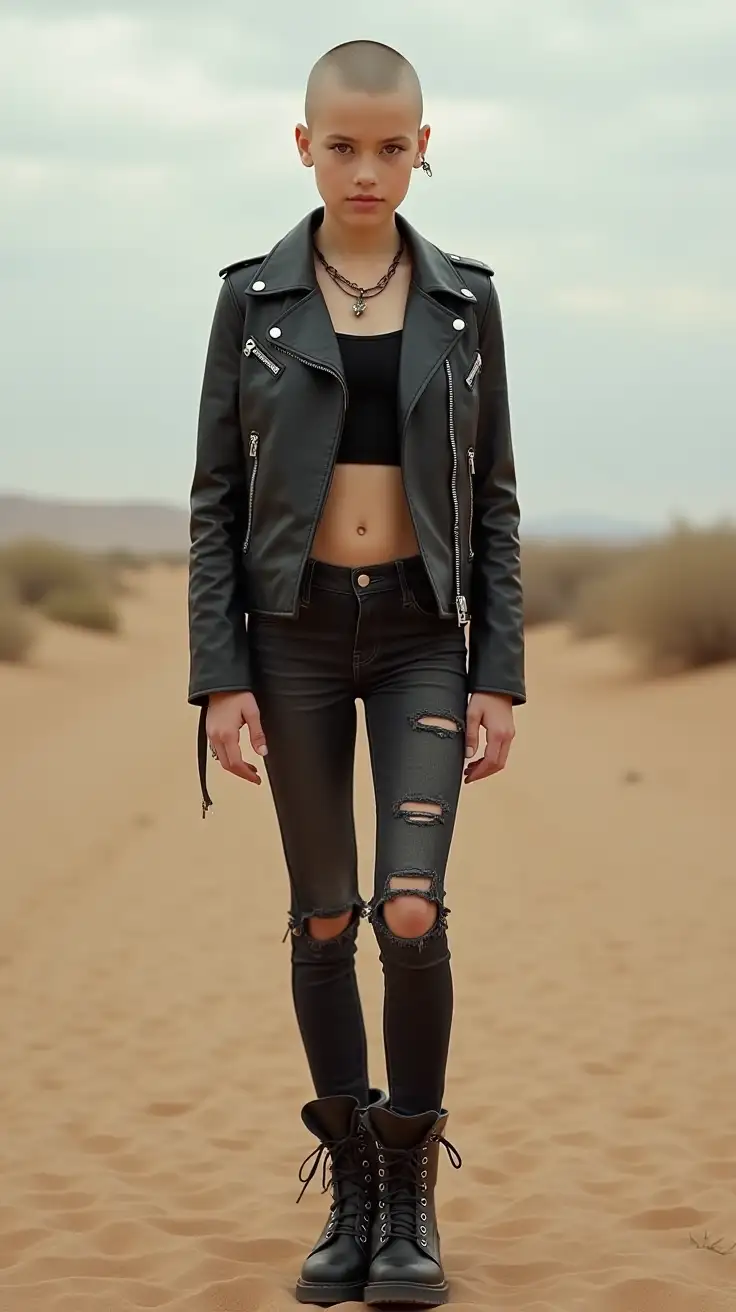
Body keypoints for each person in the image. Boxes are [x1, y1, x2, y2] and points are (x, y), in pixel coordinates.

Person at [187, 38, 525, 1308]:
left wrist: (499, 671)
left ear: (424, 144)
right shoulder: (252, 300)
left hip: (424, 639)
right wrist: (219, 675)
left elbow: (492, 497)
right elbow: (215, 496)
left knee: (412, 907)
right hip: (294, 640)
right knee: (324, 914)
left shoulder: (464, 301)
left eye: (393, 146)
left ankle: (413, 1185)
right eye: (343, 145)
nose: (367, 168)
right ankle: (355, 1192)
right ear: (303, 145)